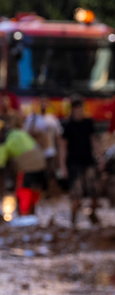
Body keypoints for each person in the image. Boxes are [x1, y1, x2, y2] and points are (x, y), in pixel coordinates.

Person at [0, 122, 46, 214]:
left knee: (23, 190)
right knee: (35, 189)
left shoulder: (3, 144)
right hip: (42, 162)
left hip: (27, 165)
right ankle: (32, 213)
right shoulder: (18, 132)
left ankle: (24, 215)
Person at [60, 96, 101, 225]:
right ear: (72, 109)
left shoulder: (88, 123)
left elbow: (94, 141)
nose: (79, 110)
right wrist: (63, 166)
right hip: (73, 163)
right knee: (76, 195)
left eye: (80, 108)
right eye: (76, 108)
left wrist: (100, 157)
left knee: (95, 192)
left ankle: (92, 214)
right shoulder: (68, 125)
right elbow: (63, 147)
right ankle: (73, 222)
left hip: (88, 161)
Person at [24, 96, 61, 197]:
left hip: (49, 151)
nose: (43, 104)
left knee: (50, 173)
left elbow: (58, 136)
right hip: (36, 152)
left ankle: (51, 193)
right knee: (36, 173)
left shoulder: (52, 119)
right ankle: (37, 195)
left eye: (45, 102)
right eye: (41, 102)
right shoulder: (32, 118)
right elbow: (26, 133)